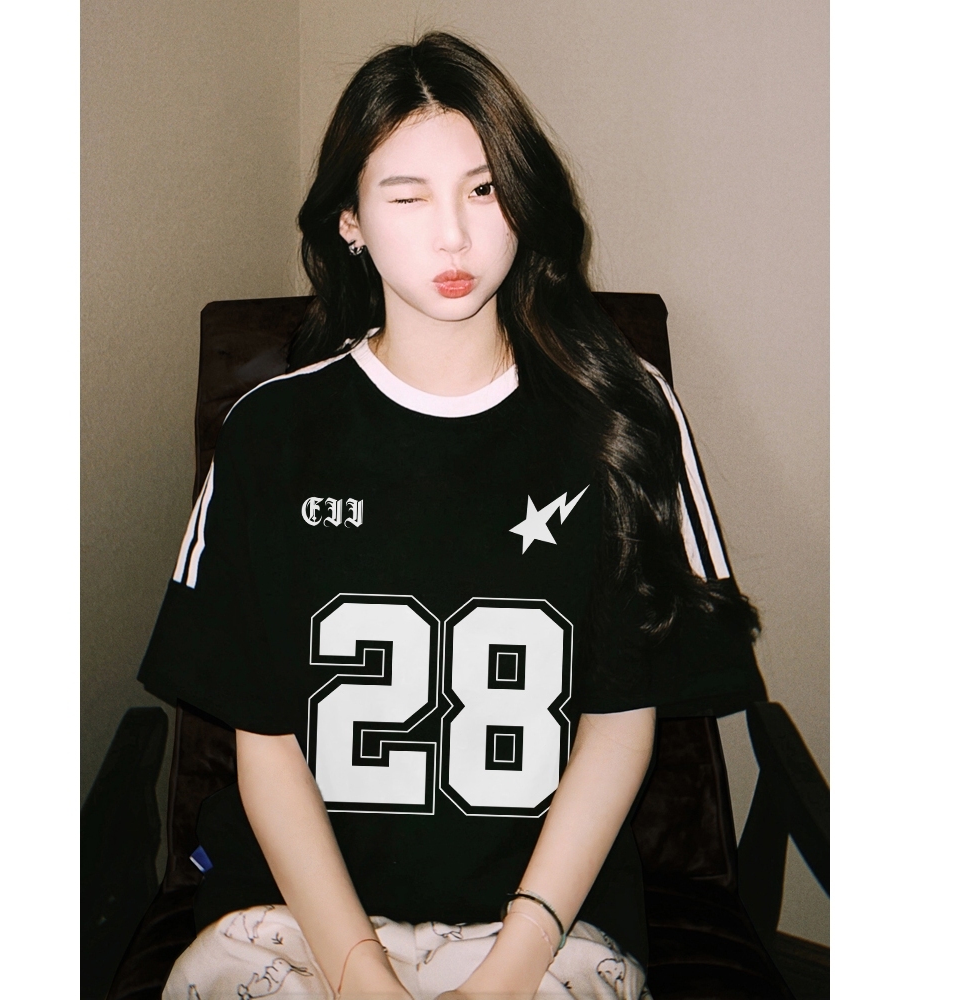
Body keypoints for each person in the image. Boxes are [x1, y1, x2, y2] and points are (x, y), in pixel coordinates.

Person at [138, 31, 764, 1000]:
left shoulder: (623, 413)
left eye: (483, 189)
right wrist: (358, 969)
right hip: (295, 921)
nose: (454, 237)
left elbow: (619, 724)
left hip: (548, 928)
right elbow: (264, 739)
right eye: (407, 197)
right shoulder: (270, 432)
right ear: (350, 220)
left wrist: (509, 968)